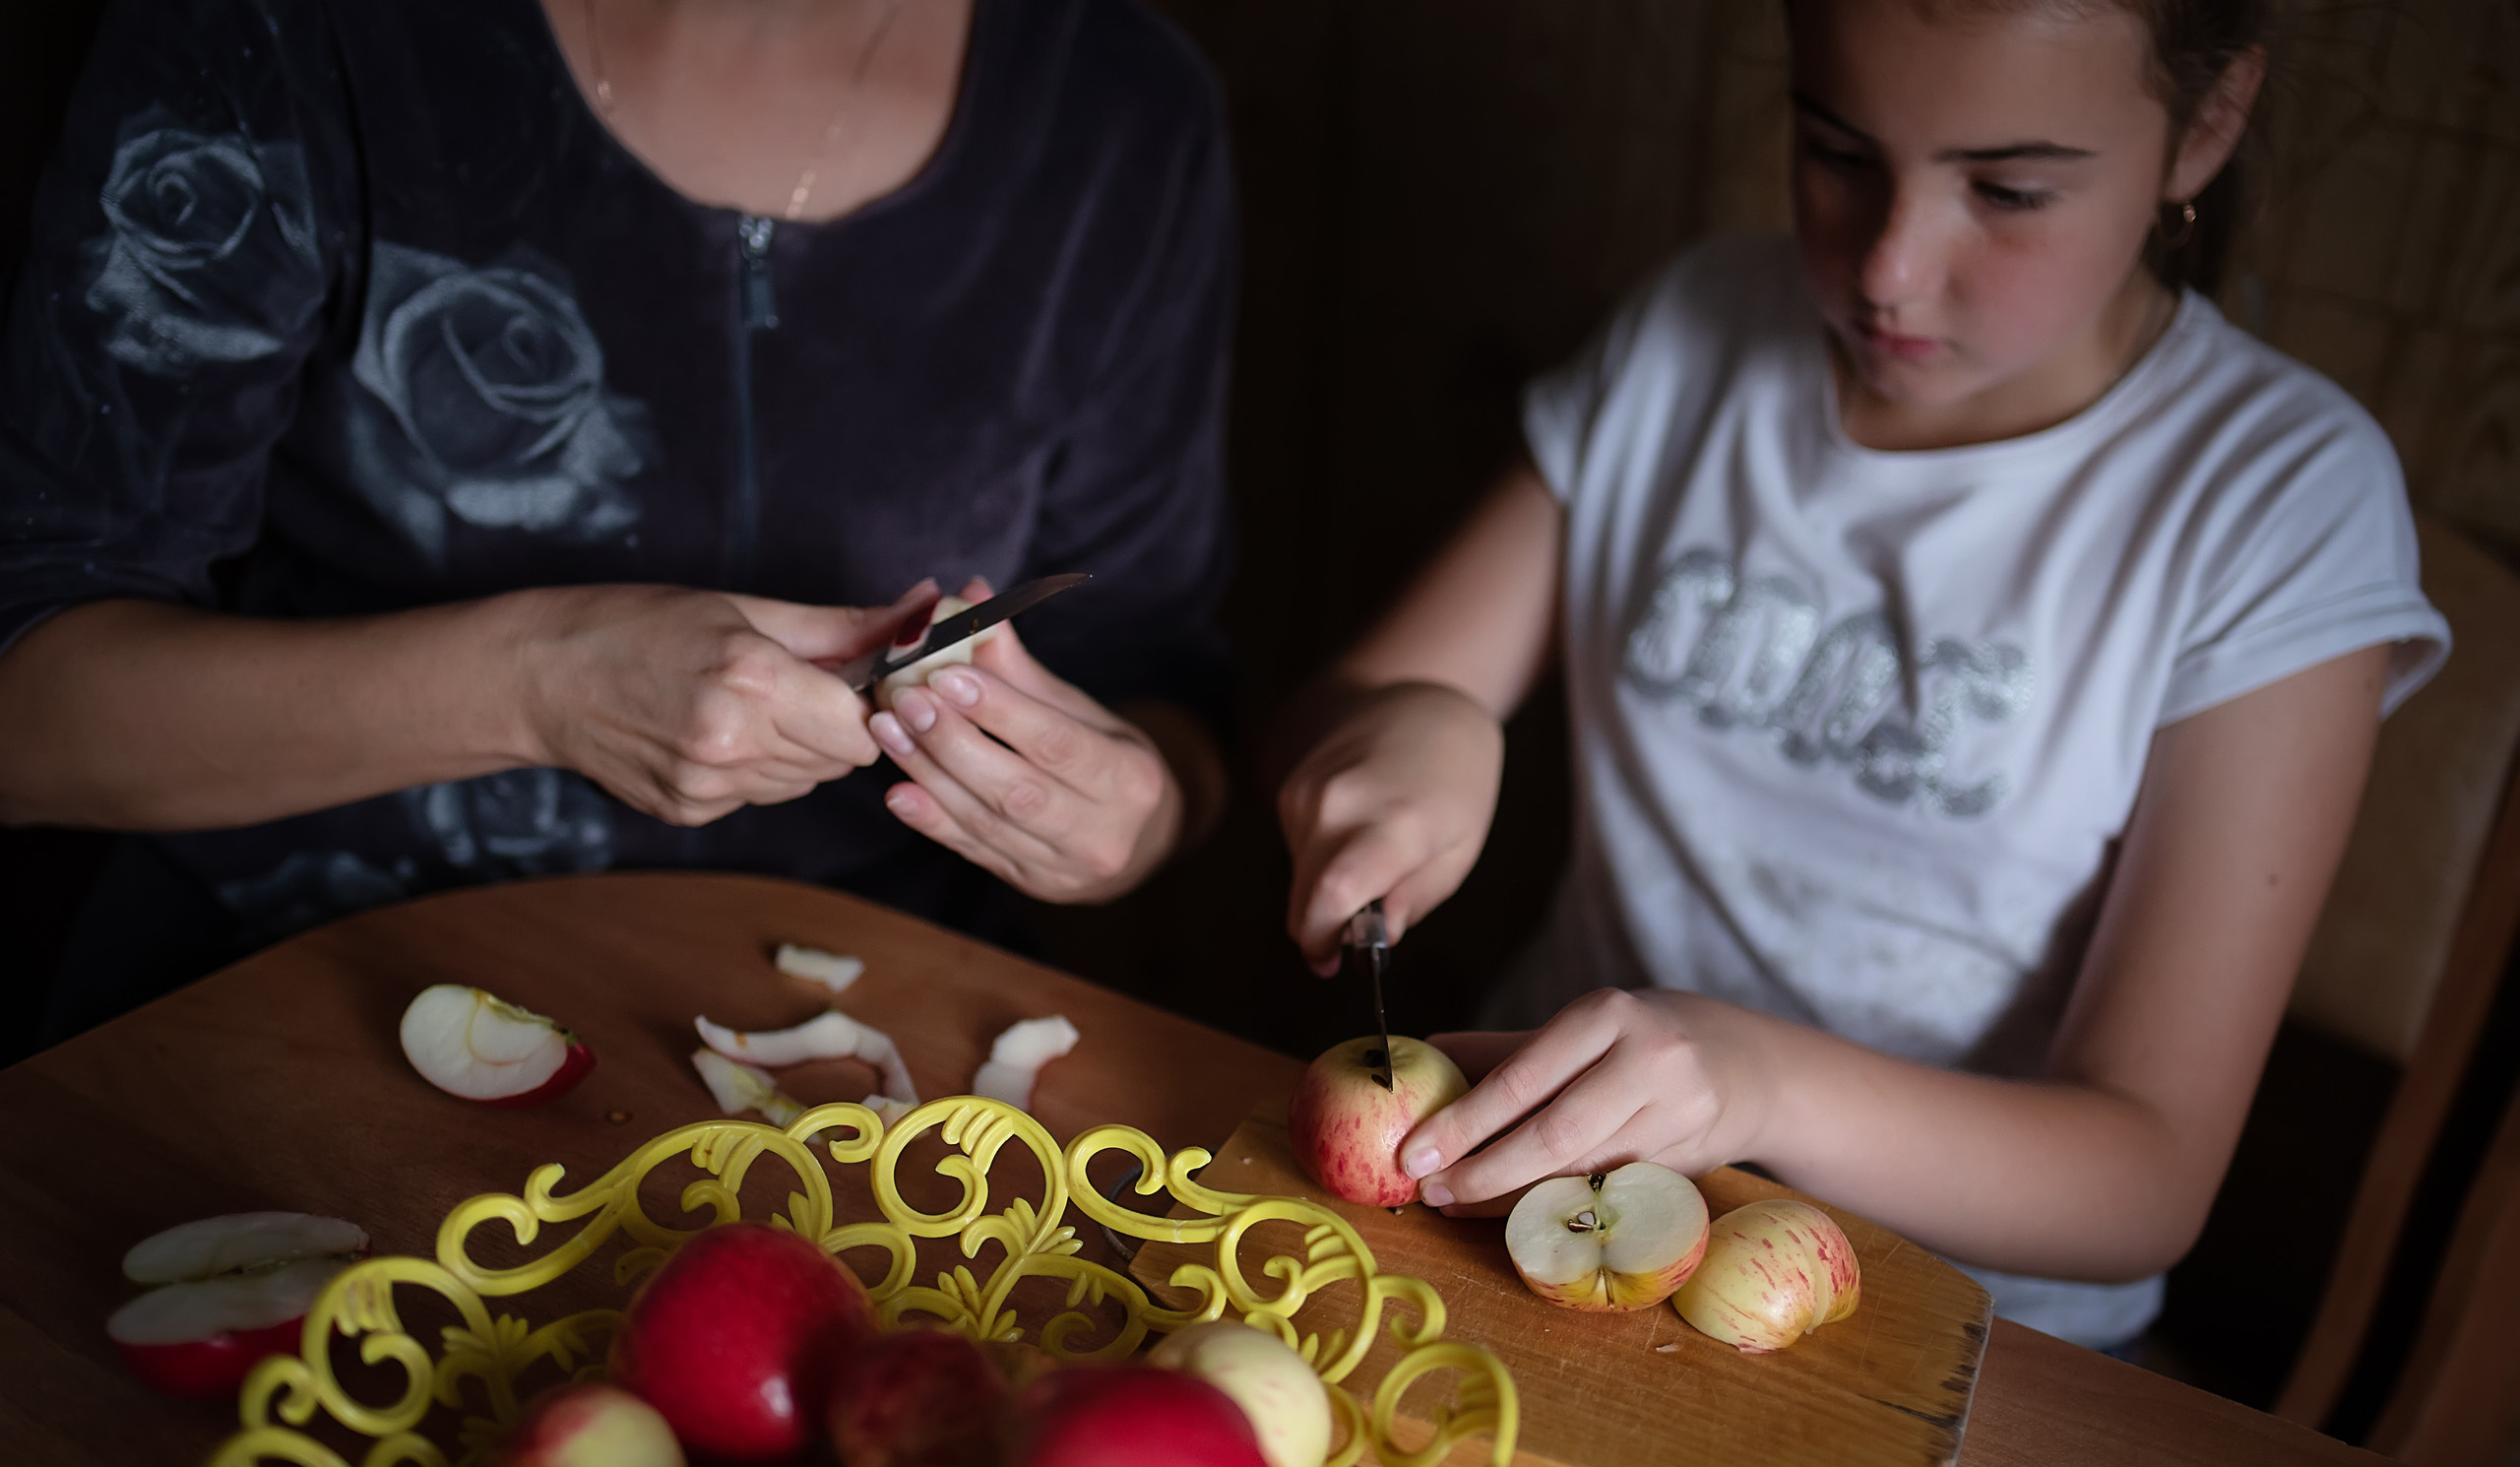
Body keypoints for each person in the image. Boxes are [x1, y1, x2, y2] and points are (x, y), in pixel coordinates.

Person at [1273, 0, 2450, 1352]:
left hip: (1957, 1334)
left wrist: (1760, 1085)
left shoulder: (2274, 497)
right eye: (1837, 152)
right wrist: (1415, 725)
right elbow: (1331, 720)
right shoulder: (1694, 330)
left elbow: (2147, 1177)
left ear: (2209, 126)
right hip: (1527, 1224)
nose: (1888, 267)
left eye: (2007, 189)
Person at [0, 0, 1233, 1038]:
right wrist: (534, 683)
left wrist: (1137, 820)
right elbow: (28, 713)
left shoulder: (1126, 113)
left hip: (865, 1037)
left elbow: (1157, 689)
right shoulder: (292, 31)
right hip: (299, 980)